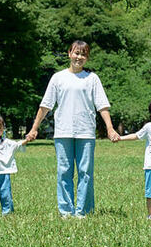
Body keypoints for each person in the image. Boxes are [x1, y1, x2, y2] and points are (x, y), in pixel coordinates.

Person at [25, 40, 120, 218]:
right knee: (64, 172)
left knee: (85, 172)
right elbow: (46, 105)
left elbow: (102, 106)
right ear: (69, 53)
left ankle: (83, 211)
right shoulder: (58, 78)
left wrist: (110, 128)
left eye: (83, 54)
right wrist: (34, 128)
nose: (79, 57)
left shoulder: (92, 79)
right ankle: (66, 211)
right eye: (76, 53)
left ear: (87, 58)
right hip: (63, 132)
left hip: (86, 132)